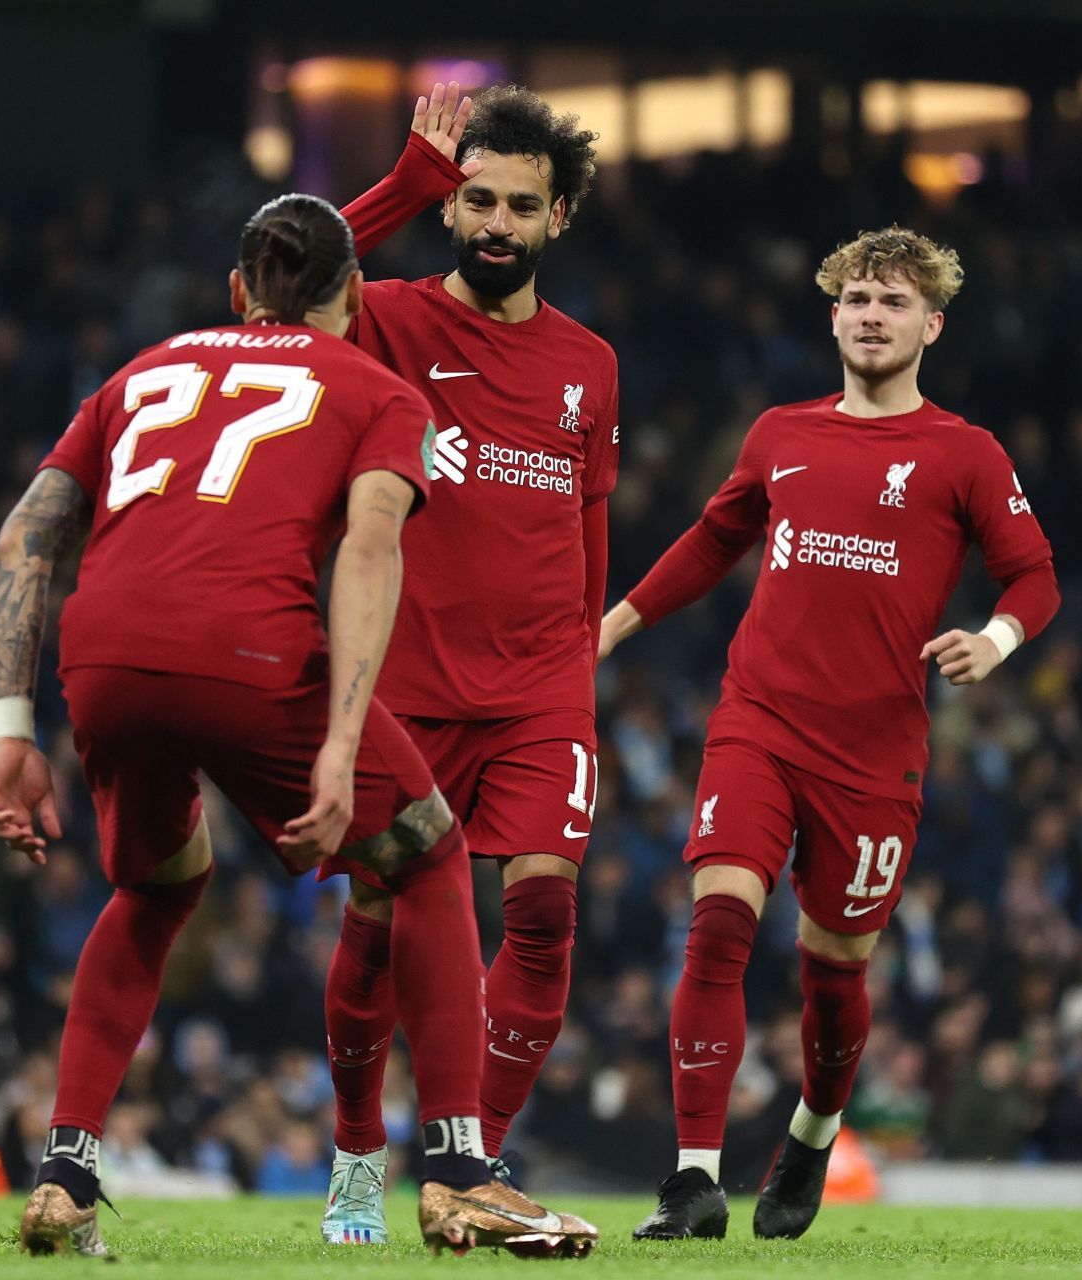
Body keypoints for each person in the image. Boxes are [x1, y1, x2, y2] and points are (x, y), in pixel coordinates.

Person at [0, 194, 595, 1258]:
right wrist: (344, 742)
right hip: (250, 650)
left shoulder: (142, 370)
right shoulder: (376, 386)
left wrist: (10, 727)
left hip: (105, 654)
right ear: (355, 296)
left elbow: (29, 531)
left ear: (237, 292)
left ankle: (66, 1169)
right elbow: (366, 551)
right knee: (430, 851)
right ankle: (459, 1171)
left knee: (157, 885)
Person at [600, 226, 1061, 1240]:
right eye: (856, 297)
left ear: (930, 325)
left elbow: (1036, 573)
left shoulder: (963, 452)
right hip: (759, 719)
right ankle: (693, 1178)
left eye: (893, 302)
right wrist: (612, 625)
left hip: (876, 750)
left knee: (834, 969)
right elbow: (712, 540)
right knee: (718, 921)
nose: (870, 314)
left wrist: (997, 636)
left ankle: (812, 1131)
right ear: (833, 315)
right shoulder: (780, 433)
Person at [315, 83, 619, 1245]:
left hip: (542, 686)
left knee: (542, 913)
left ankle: (465, 1165)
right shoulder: (385, 318)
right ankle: (355, 1147)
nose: (496, 222)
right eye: (478, 199)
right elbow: (275, 287)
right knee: (382, 931)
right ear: (454, 206)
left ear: (559, 220)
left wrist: (580, 673)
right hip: (412, 684)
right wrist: (404, 181)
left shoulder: (591, 363)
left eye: (520, 206)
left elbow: (590, 530)